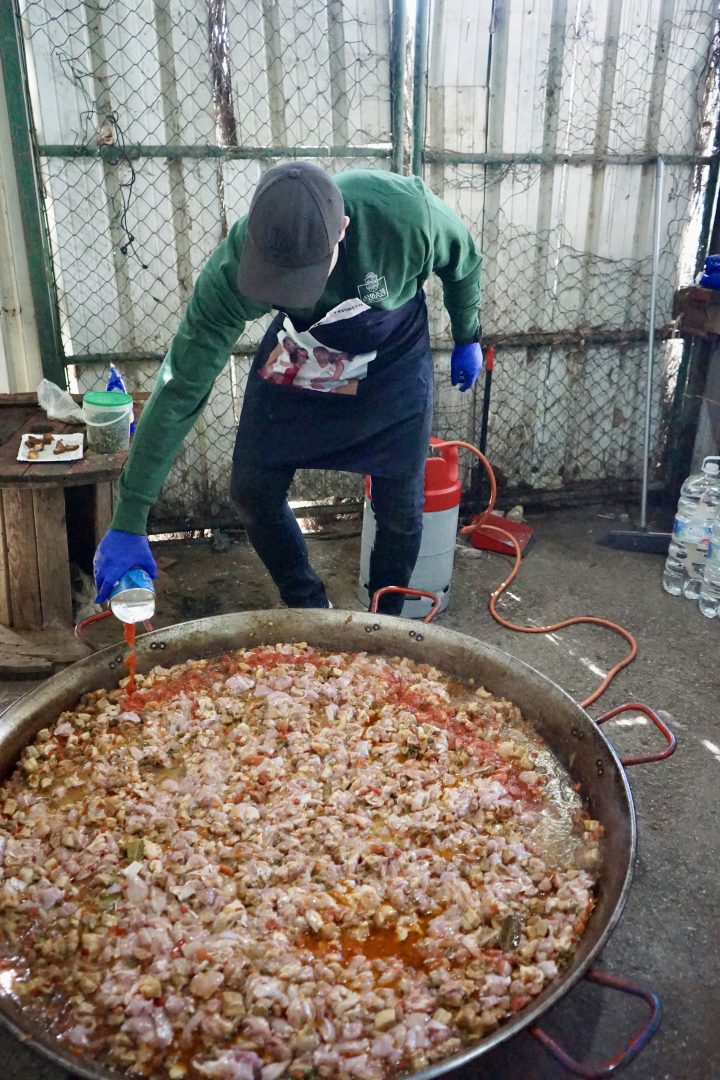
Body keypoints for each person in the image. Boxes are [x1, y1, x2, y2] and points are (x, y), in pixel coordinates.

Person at [93, 163, 483, 615]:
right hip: (303, 349)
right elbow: (181, 384)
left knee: (402, 510)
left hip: (390, 356)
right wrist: (130, 516)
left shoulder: (404, 215)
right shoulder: (231, 270)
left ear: (342, 230)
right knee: (252, 490)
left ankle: (382, 625)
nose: (289, 292)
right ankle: (311, 611)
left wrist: (467, 335)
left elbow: (464, 260)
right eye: (278, 281)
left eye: (302, 279)